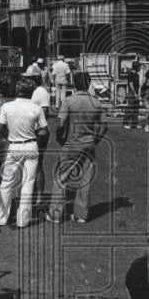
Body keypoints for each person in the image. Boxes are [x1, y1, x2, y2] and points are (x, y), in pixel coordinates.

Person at [48, 72, 107, 224]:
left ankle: (56, 214)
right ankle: (81, 214)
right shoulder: (96, 102)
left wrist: (60, 137)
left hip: (72, 142)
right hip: (88, 143)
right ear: (88, 84)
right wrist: (95, 140)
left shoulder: (69, 101)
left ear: (74, 84)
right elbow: (103, 126)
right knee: (85, 179)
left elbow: (61, 123)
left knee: (61, 177)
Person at [0, 78, 49, 228]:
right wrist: (33, 136)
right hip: (31, 145)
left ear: (17, 91)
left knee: (7, 182)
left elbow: (0, 129)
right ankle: (22, 220)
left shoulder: (7, 106)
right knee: (27, 184)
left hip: (14, 145)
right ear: (31, 92)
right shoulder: (36, 108)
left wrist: (10, 136)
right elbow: (44, 131)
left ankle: (1, 218)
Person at [27, 72, 51, 210]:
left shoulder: (41, 92)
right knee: (32, 165)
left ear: (33, 80)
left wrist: (38, 129)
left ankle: (39, 197)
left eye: (28, 78)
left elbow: (45, 112)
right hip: (31, 132)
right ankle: (33, 195)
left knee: (38, 165)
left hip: (38, 133)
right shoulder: (35, 91)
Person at [123, 60, 142, 130]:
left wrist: (138, 94)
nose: (140, 68)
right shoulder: (130, 74)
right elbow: (131, 85)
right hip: (131, 94)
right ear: (136, 67)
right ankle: (125, 123)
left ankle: (134, 124)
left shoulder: (137, 75)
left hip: (136, 93)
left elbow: (138, 85)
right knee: (129, 109)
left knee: (136, 109)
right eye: (139, 67)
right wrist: (135, 94)